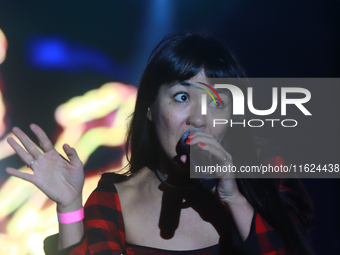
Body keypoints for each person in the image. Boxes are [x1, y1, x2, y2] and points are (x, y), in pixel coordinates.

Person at [6, 33, 314, 255]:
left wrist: (234, 198)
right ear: (150, 109)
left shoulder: (266, 180)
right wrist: (70, 206)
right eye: (182, 97)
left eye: (217, 102)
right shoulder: (114, 198)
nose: (198, 119)